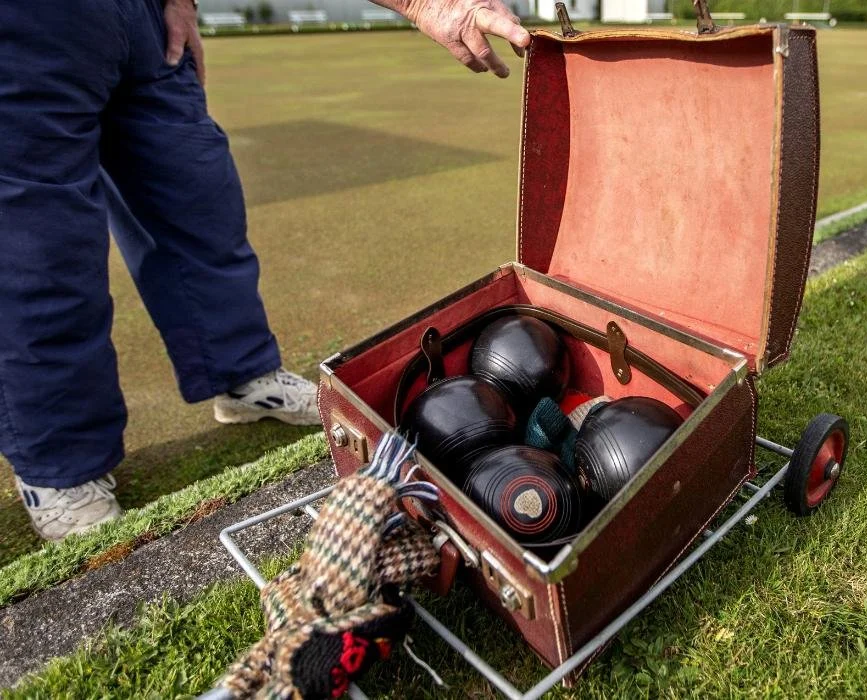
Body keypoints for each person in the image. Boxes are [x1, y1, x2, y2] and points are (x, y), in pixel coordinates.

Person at [0, 0, 529, 541]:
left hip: (145, 16)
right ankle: (59, 464)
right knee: (38, 242)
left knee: (199, 197)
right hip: (30, 22)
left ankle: (241, 375)